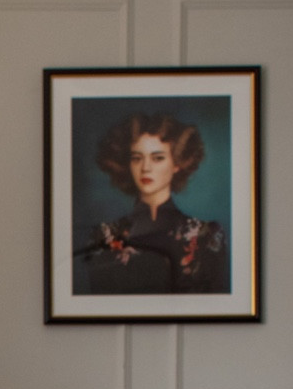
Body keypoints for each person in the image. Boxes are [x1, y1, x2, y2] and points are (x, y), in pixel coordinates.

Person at [78, 112, 229, 294]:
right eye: (137, 158)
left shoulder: (206, 236)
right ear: (127, 164)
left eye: (157, 158)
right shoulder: (103, 237)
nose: (145, 168)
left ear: (177, 164)